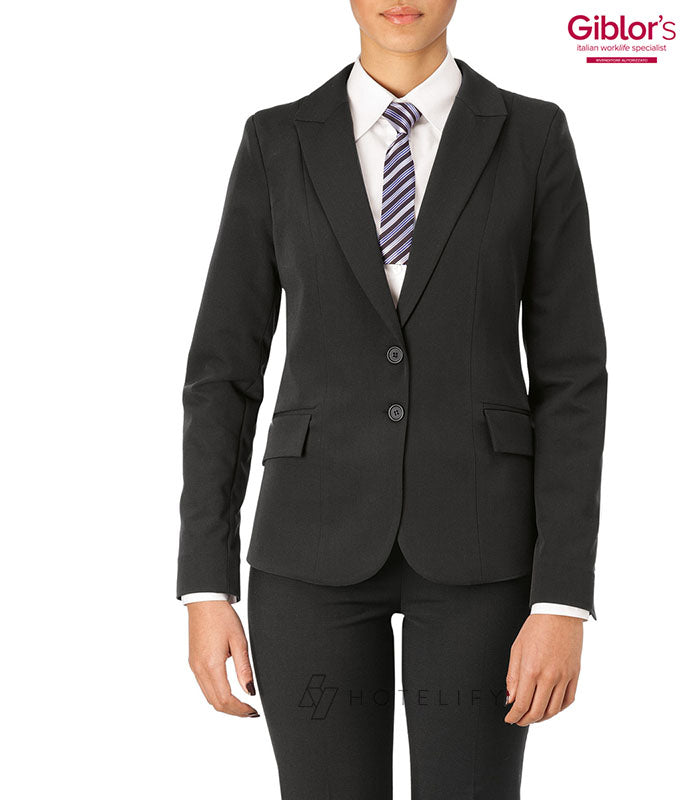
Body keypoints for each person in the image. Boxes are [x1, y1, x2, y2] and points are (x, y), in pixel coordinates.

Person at [177, 1, 607, 797]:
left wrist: (562, 597)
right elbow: (222, 374)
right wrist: (207, 584)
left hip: (483, 546)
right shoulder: (277, 140)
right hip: (308, 548)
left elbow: (572, 379)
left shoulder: (532, 136)